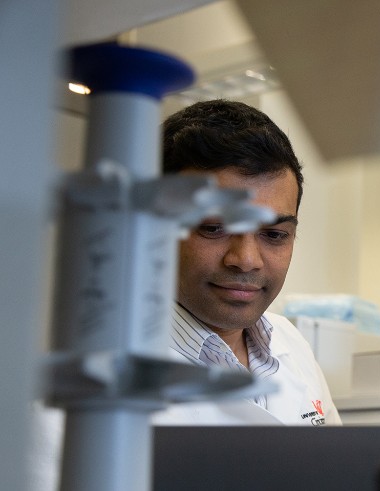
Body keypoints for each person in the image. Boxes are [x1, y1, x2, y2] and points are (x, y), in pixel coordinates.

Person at [33, 99, 339, 490]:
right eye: (212, 228)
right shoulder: (75, 396)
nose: (246, 260)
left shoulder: (291, 344)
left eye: (274, 235)